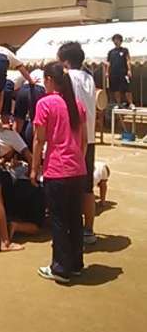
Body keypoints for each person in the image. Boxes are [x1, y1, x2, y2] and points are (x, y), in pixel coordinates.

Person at [31, 62, 87, 284]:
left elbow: (39, 139)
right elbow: (83, 141)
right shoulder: (77, 105)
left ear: (49, 80)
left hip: (57, 169)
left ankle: (61, 267)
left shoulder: (45, 103)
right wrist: (78, 161)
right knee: (75, 218)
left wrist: (34, 168)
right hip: (77, 169)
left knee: (59, 220)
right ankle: (76, 264)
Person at [58, 41, 97, 245]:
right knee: (87, 187)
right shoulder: (89, 78)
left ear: (65, 61)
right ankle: (88, 230)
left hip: (72, 138)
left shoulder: (67, 78)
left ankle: (69, 230)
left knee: (68, 188)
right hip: (89, 138)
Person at [13, 69, 46, 147]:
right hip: (38, 90)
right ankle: (34, 149)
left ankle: (15, 147)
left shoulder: (35, 71)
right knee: (35, 123)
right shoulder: (47, 74)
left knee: (18, 122)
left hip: (24, 89)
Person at [105, 33, 135, 108]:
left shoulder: (125, 50)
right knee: (116, 89)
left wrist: (129, 70)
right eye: (114, 40)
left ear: (120, 41)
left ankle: (131, 103)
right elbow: (108, 63)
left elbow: (128, 60)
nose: (116, 41)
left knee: (127, 89)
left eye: (117, 39)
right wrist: (107, 72)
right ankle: (119, 104)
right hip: (114, 73)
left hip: (123, 73)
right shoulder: (111, 52)